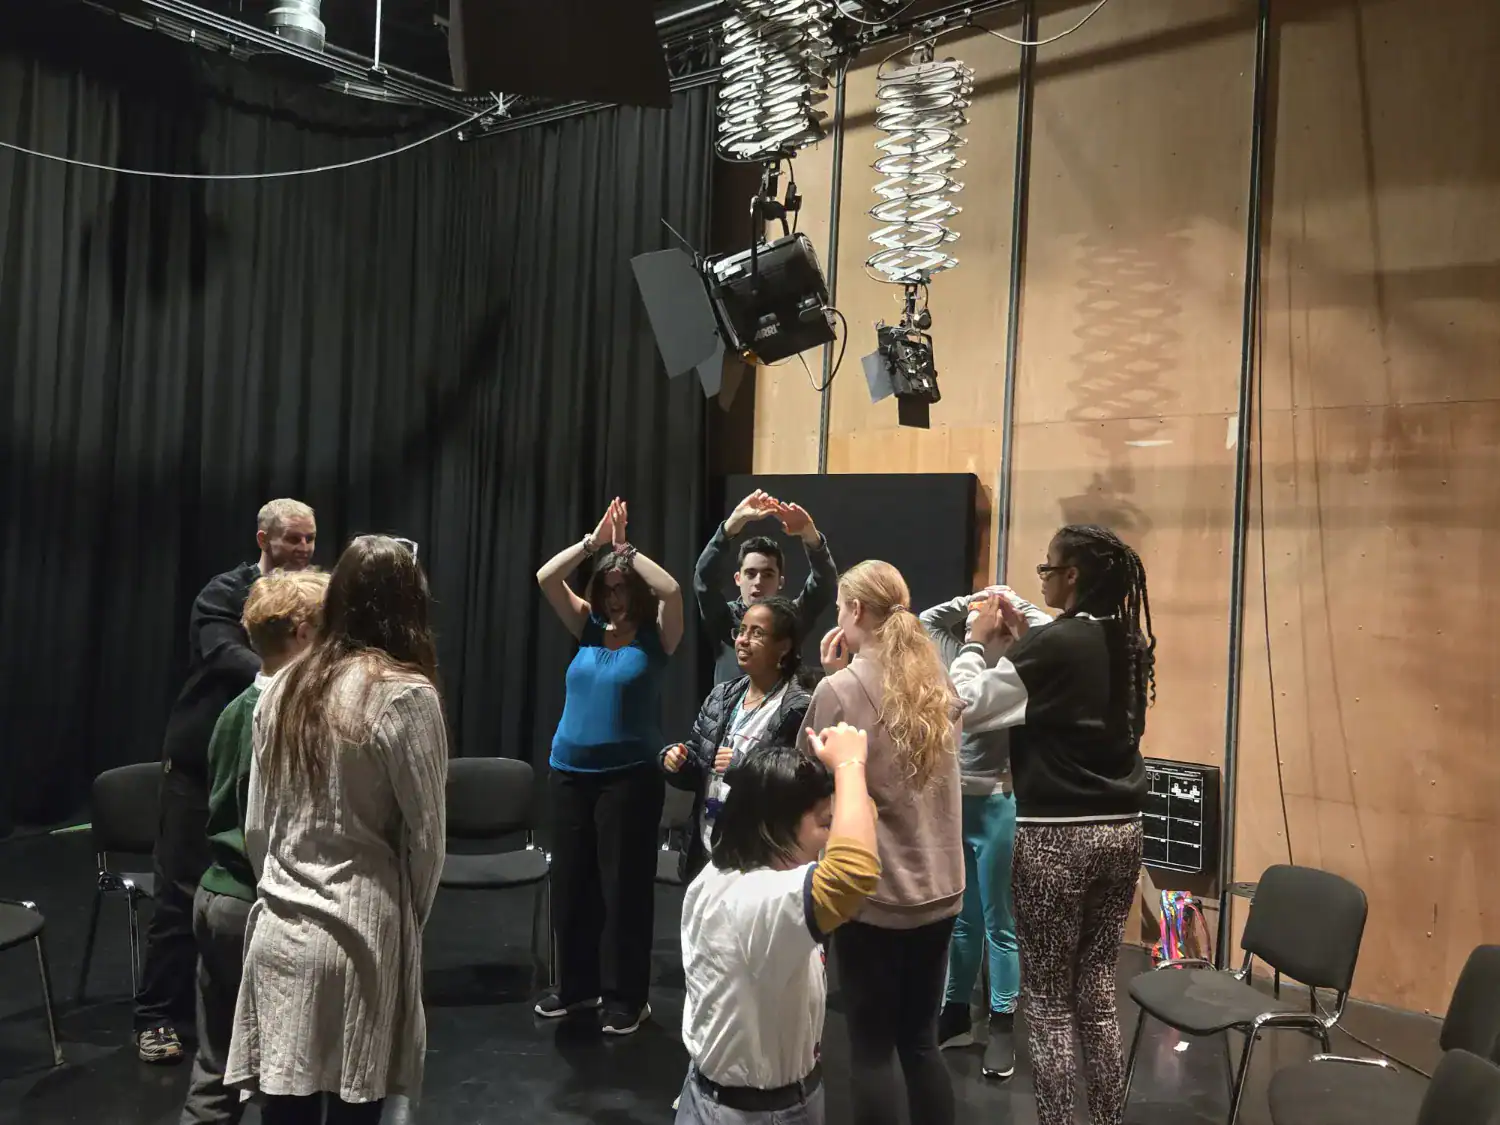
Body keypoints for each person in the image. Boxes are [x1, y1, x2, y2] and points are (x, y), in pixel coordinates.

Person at [225, 536, 447, 1125]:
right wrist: (406, 919)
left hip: (277, 928)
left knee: (283, 1113)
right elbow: (427, 843)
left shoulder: (281, 688)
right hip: (362, 934)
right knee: (358, 1109)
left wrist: (281, 886)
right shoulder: (405, 694)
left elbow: (256, 827)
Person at [953, 525, 1155, 1125]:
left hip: (1057, 838)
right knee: (1095, 991)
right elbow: (1064, 675)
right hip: (1122, 832)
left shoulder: (1055, 645)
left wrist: (975, 641)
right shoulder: (1127, 640)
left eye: (1048, 570)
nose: (1042, 579)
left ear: (1072, 577)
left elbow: (967, 708)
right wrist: (1025, 636)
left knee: (1045, 1002)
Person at [136, 498, 317, 1064]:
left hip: (268, 764)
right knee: (180, 893)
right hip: (199, 767)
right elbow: (227, 656)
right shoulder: (224, 592)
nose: (305, 550)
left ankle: (247, 1011)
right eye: (294, 540)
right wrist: (296, 673)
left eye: (311, 540)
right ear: (263, 539)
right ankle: (158, 1017)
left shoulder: (316, 594)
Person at [799, 560, 963, 1125]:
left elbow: (809, 773)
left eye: (841, 607)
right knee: (920, 1042)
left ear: (856, 612)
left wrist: (827, 678)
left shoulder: (838, 690)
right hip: (941, 891)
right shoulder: (936, 682)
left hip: (874, 898)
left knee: (870, 1049)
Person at [179, 569, 328, 1125]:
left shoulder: (233, 709)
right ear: (303, 631)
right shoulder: (291, 717)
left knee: (216, 1065)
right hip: (258, 907)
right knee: (282, 1078)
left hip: (216, 898)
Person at [675, 727, 881, 1125]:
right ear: (775, 828)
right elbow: (854, 871)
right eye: (825, 824)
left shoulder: (724, 870)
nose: (833, 837)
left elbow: (862, 820)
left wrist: (841, 772)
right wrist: (850, 765)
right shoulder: (762, 900)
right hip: (755, 1114)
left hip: (735, 1100)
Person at [535, 497, 684, 1035]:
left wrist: (628, 552)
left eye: (624, 589)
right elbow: (546, 577)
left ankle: (627, 997)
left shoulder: (657, 636)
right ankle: (577, 988)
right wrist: (592, 545)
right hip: (569, 774)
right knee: (573, 886)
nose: (616, 598)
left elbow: (671, 589)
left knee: (624, 890)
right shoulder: (589, 627)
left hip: (629, 779)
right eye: (609, 588)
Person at [920, 584, 1053, 1080]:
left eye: (988, 610)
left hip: (997, 803)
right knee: (962, 918)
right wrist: (971, 600)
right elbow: (927, 619)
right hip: (956, 804)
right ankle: (956, 1015)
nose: (981, 614)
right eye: (980, 609)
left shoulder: (1019, 660)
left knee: (1000, 922)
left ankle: (1001, 1026)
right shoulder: (957, 652)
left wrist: (1016, 604)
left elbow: (1050, 630)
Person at [661, 596, 812, 883]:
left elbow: (796, 784)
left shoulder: (797, 708)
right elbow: (700, 760)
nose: (743, 640)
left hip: (757, 857)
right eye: (741, 631)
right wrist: (678, 761)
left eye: (757, 633)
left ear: (784, 646)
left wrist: (742, 768)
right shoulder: (722, 696)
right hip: (706, 847)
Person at [695, 489, 836, 683]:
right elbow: (704, 579)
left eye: (768, 574)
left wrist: (810, 535)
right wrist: (731, 525)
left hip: (780, 710)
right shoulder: (724, 619)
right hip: (730, 711)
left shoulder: (790, 618)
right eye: (750, 573)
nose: (759, 582)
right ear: (738, 579)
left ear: (781, 582)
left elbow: (823, 585)